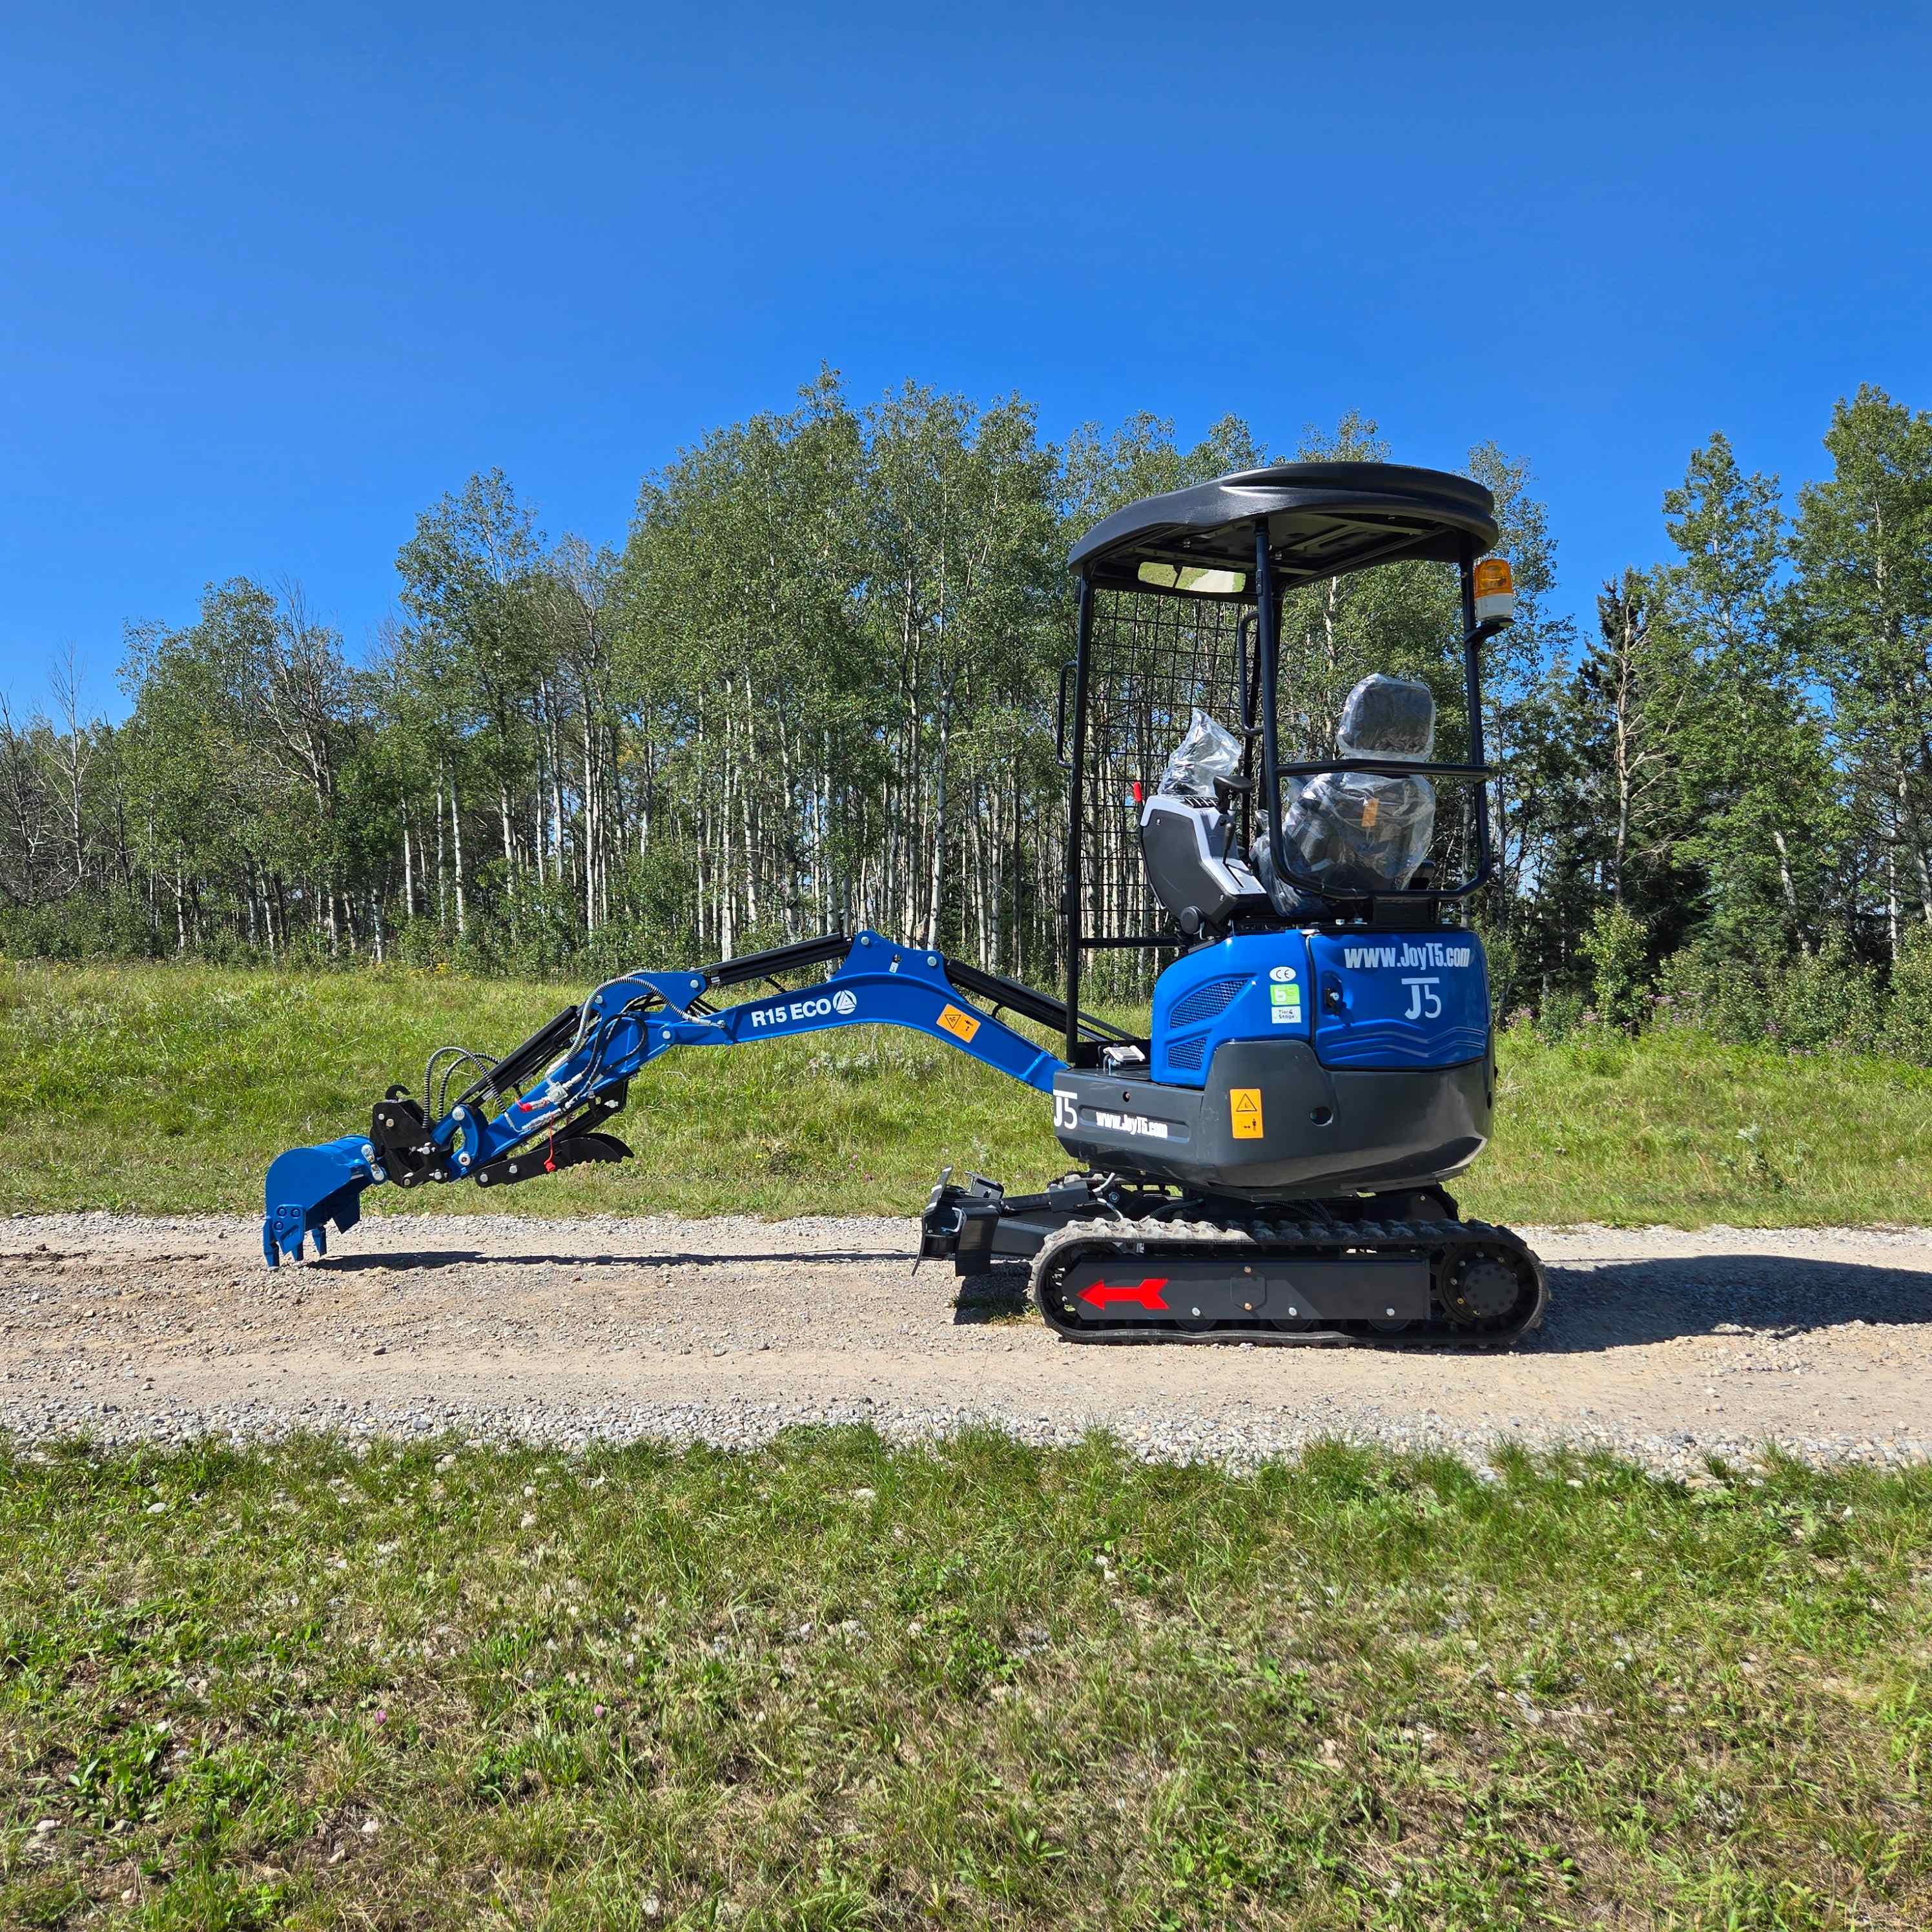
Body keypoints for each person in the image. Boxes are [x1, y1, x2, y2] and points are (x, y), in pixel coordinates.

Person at [1252, 673, 1437, 914]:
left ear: (1356, 724)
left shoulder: (1330, 785)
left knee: (1262, 850)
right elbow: (1370, 834)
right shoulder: (1417, 790)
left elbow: (1295, 842)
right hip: (1377, 899)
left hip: (1310, 897)